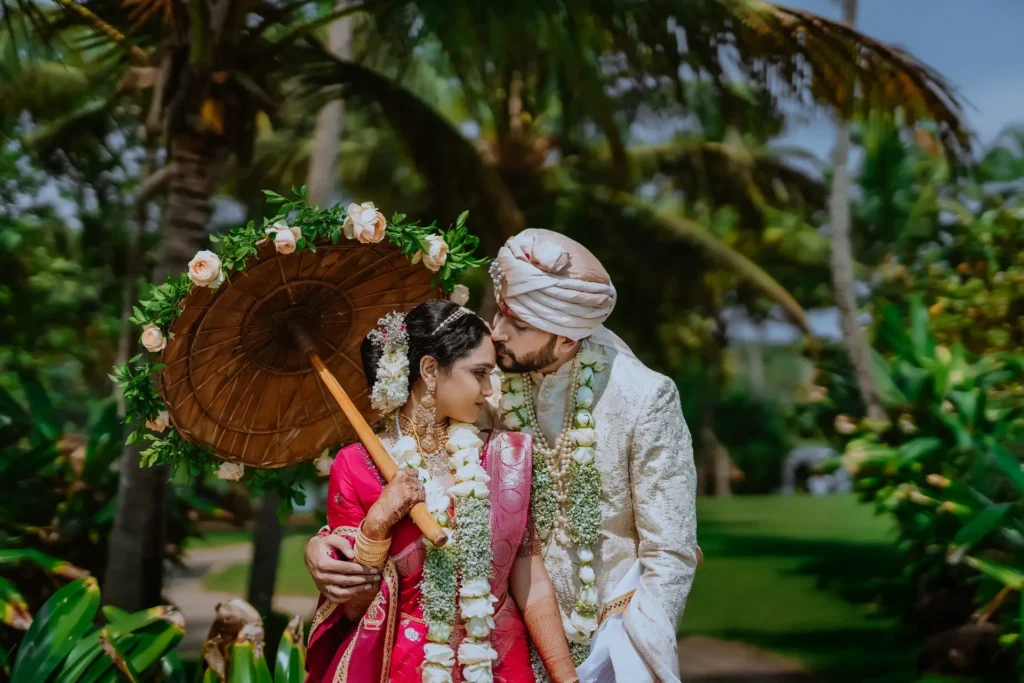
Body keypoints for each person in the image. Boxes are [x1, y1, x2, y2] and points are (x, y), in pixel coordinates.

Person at [307, 232, 699, 682]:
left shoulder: (641, 398)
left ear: (567, 340)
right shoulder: (492, 376)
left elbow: (670, 552)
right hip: (496, 644)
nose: (498, 333)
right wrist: (323, 546)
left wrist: (639, 653)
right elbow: (416, 435)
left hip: (606, 636)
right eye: (501, 312)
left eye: (521, 326)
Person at [305, 300, 578, 683]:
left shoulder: (504, 455)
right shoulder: (356, 465)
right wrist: (378, 521)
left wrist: (567, 677)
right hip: (403, 662)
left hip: (501, 659)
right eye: (479, 373)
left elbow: (529, 579)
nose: (488, 389)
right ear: (430, 370)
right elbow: (355, 606)